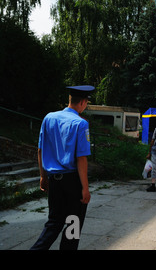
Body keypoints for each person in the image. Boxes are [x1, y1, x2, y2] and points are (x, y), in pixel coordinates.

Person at [30, 85, 94, 250]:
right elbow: (81, 158)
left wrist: (43, 176)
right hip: (73, 181)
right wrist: (85, 188)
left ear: (70, 100)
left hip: (54, 181)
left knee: (54, 222)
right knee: (73, 222)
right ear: (84, 102)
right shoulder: (80, 123)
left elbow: (40, 150)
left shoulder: (49, 118)